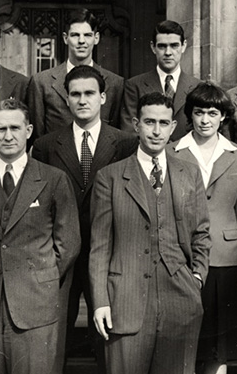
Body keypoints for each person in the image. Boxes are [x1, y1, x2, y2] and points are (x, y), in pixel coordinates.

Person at [0, 98, 81, 373]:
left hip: (34, 304)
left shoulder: (53, 179)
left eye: (15, 128)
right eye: (0, 129)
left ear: (29, 130)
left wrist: (39, 276)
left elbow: (68, 243)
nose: (8, 136)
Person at [89, 92, 211, 374]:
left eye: (163, 123)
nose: (156, 131)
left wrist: (196, 278)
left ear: (172, 128)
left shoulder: (189, 173)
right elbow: (99, 246)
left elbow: (202, 232)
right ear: (136, 124)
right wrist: (100, 302)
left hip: (180, 301)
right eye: (149, 122)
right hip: (125, 300)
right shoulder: (110, 177)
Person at [31, 65, 137, 372]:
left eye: (89, 93)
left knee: (109, 338)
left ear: (103, 97)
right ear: (66, 99)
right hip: (61, 258)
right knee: (54, 338)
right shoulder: (47, 145)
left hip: (107, 254)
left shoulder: (126, 143)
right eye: (75, 94)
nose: (82, 100)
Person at [167, 82, 237, 374]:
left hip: (226, 259)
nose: (205, 120)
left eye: (212, 113)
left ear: (223, 117)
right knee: (184, 334)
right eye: (199, 112)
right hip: (182, 257)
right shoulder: (171, 152)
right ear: (189, 115)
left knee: (220, 339)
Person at [27, 8, 124, 139]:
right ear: (65, 38)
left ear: (96, 38)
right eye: (75, 35)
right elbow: (36, 138)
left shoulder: (115, 83)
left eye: (87, 35)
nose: (81, 41)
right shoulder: (42, 82)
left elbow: (116, 136)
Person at [120, 21, 200, 141]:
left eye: (174, 46)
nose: (168, 52)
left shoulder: (197, 87)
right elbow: (130, 132)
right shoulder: (135, 85)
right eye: (162, 46)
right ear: (153, 47)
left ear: (183, 46)